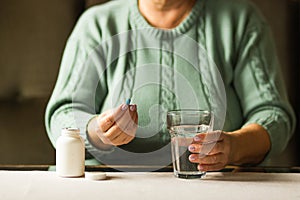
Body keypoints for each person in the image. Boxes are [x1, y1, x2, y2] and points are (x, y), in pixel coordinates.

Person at [45, 0, 296, 171]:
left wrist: (234, 147)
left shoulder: (241, 20)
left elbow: (274, 115)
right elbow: (63, 114)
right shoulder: (96, 24)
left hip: (217, 188)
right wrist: (97, 133)